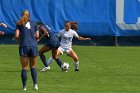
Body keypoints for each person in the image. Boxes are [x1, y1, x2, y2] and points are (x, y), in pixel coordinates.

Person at [15, 10, 39, 91]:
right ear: (29, 16)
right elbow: (37, 35)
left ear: (22, 15)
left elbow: (17, 35)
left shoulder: (19, 23)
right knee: (33, 66)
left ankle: (24, 87)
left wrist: (19, 41)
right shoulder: (34, 23)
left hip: (24, 46)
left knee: (24, 67)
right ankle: (35, 85)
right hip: (33, 46)